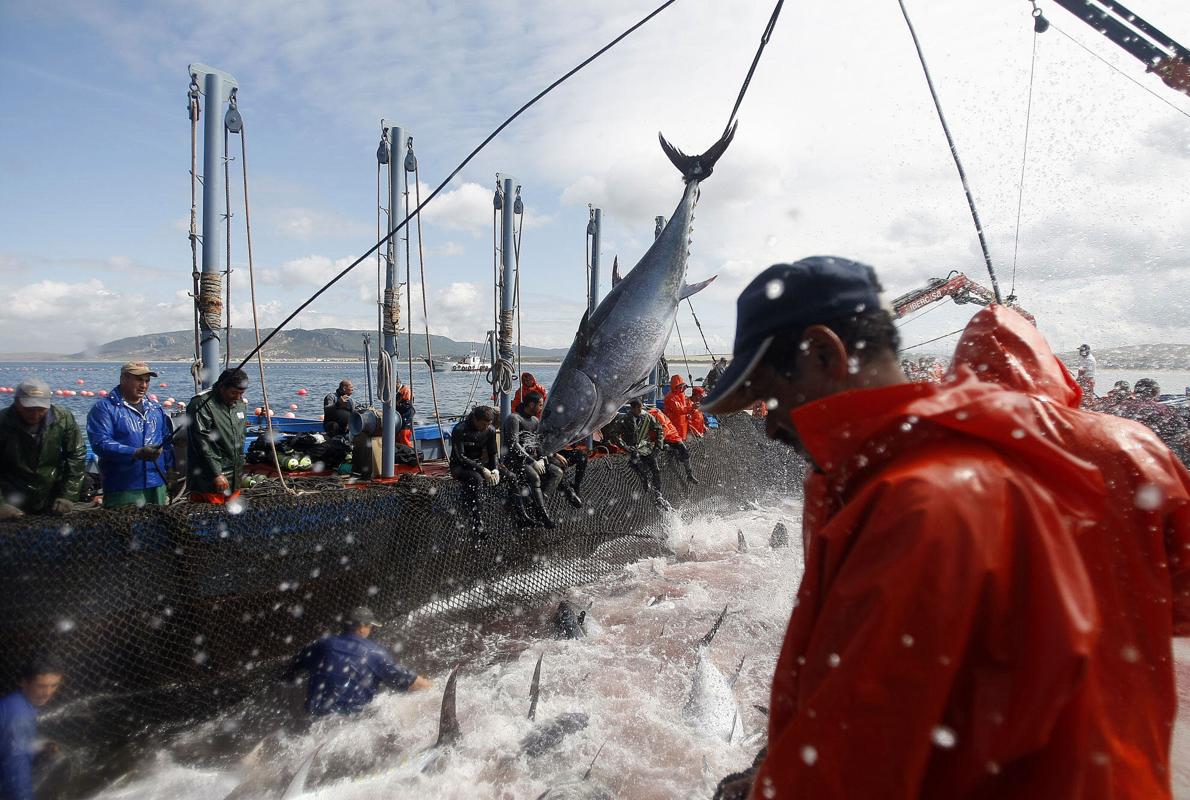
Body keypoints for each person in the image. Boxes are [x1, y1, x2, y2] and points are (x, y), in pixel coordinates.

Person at [701, 257, 1190, 800]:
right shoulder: (1122, 450)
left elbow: (852, 764)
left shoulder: (921, 501)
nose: (767, 423)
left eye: (769, 395)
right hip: (1128, 759)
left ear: (824, 354)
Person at [285, 606, 430, 716]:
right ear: (362, 628)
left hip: (314, 716)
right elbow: (412, 682)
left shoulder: (321, 644)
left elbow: (293, 667)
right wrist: (435, 690)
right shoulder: (374, 653)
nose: (370, 630)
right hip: (351, 722)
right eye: (370, 627)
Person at [86, 362, 174, 509]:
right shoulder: (104, 408)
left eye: (147, 381)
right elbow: (100, 443)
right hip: (123, 485)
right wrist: (135, 453)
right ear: (123, 379)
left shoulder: (155, 409)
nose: (144, 385)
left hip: (157, 484)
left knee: (157, 529)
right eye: (139, 379)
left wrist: (171, 470)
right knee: (123, 529)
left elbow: (166, 442)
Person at [0, 379, 85, 519]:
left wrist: (68, 496)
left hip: (50, 493)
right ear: (16, 402)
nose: (35, 415)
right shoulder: (3, 421)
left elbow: (76, 454)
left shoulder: (63, 418)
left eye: (40, 409)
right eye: (28, 409)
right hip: (11, 494)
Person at [501, 392, 581, 529]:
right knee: (535, 477)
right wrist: (532, 461)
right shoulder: (514, 419)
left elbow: (539, 444)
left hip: (533, 459)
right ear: (531, 404)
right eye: (540, 405)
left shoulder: (535, 421)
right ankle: (542, 513)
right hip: (515, 460)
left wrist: (544, 458)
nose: (541, 408)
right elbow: (514, 445)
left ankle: (538, 503)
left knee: (557, 472)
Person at [0, 657, 64, 800]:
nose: (48, 692)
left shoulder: (13, 703)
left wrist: (40, 745)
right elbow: (15, 772)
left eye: (54, 685)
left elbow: (10, 743)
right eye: (41, 686)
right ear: (23, 682)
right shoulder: (19, 716)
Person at [186, 368, 248, 503]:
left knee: (232, 517)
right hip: (209, 480)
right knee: (209, 518)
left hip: (235, 477)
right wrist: (216, 474)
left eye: (241, 393)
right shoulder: (201, 404)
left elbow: (240, 438)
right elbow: (202, 442)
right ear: (221, 387)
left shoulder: (240, 404)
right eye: (233, 393)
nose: (237, 397)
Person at [1109, 377, 1190, 464]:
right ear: (1155, 393)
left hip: (1126, 454)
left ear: (1134, 392)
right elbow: (1184, 434)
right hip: (1157, 457)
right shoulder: (1163, 410)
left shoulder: (1119, 408)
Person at [610, 399, 669, 509]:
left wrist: (658, 445)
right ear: (632, 408)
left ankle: (658, 493)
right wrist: (625, 446)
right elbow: (614, 434)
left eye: (641, 408)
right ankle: (645, 483)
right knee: (637, 465)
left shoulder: (647, 417)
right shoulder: (624, 419)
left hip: (645, 447)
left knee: (655, 469)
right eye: (638, 408)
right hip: (631, 448)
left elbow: (659, 429)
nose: (640, 410)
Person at [450, 406, 500, 533]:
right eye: (483, 424)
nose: (485, 428)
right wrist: (482, 469)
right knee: (477, 479)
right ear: (475, 419)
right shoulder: (460, 429)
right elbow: (460, 457)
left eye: (488, 425)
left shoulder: (490, 430)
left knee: (509, 476)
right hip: (460, 466)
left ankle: (521, 515)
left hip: (479, 464)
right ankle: (478, 522)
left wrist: (495, 469)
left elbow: (493, 453)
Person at [647, 407, 698, 485]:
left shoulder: (657, 415)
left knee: (684, 451)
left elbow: (664, 429)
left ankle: (689, 474)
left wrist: (659, 441)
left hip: (671, 436)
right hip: (659, 438)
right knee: (662, 449)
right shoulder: (647, 417)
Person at [663, 375, 693, 441]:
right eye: (680, 387)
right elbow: (679, 410)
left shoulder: (680, 395)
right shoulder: (671, 397)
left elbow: (685, 407)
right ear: (675, 387)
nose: (682, 389)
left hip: (682, 425)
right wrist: (691, 408)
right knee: (675, 443)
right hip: (674, 425)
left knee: (682, 440)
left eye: (682, 386)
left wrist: (688, 414)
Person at [395, 385, 415, 449]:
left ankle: (410, 455)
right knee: (399, 440)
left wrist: (396, 404)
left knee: (404, 440)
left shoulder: (407, 403)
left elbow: (403, 408)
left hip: (405, 425)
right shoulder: (400, 397)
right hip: (400, 425)